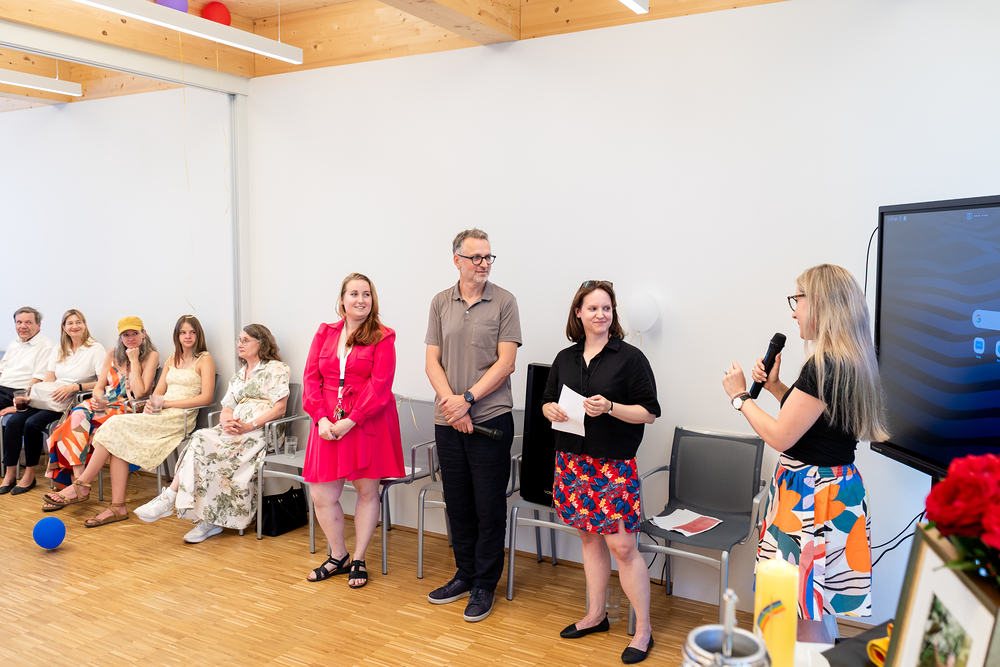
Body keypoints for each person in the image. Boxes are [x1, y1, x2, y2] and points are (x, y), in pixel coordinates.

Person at [722, 263, 889, 622]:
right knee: (815, 604)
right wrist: (775, 387)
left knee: (796, 608)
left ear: (821, 303)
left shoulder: (823, 366)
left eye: (797, 300)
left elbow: (781, 436)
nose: (794, 312)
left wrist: (740, 397)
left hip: (811, 494)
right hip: (836, 489)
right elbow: (816, 423)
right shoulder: (849, 360)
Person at [541, 281, 660, 665]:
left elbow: (649, 413)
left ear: (613, 313)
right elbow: (547, 401)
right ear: (578, 313)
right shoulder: (565, 358)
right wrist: (548, 410)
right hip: (572, 463)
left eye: (606, 308)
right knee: (589, 540)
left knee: (623, 547)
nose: (600, 314)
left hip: (613, 466)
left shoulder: (631, 358)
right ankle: (596, 615)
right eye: (592, 308)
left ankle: (643, 631)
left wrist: (610, 406)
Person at [424, 228, 521, 623]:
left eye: (488, 257)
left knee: (488, 505)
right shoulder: (440, 302)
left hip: (490, 419)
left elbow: (506, 363)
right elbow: (432, 362)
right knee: (459, 503)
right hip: (448, 420)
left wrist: (466, 400)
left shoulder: (505, 301)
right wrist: (453, 405)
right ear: (457, 261)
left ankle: (485, 583)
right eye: (476, 257)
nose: (484, 264)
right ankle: (464, 574)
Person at [42, 315, 216, 526]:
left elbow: (206, 398)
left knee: (114, 426)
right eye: (183, 332)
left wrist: (167, 404)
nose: (187, 336)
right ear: (177, 336)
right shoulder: (172, 359)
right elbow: (158, 393)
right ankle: (117, 506)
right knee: (116, 438)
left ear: (198, 335)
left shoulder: (204, 359)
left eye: (192, 332)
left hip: (180, 417)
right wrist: (152, 404)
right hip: (159, 413)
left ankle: (82, 485)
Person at [134, 323, 290, 544]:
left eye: (245, 340)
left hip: (263, 431)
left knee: (208, 448)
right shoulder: (239, 375)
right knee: (200, 439)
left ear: (262, 343)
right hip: (234, 429)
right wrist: (226, 422)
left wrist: (249, 425)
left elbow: (280, 408)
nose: (240, 344)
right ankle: (197, 513)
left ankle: (176, 502)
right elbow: (226, 407)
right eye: (239, 340)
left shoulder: (276, 369)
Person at [301, 273, 404, 588]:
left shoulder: (383, 336)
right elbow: (311, 378)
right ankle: (339, 556)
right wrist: (320, 418)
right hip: (327, 422)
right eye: (354, 294)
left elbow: (381, 385)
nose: (361, 300)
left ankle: (359, 558)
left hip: (366, 421)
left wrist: (352, 420)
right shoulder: (325, 333)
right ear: (343, 299)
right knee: (321, 494)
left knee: (366, 492)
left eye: (366, 294)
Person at [45, 316, 159, 501]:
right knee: (76, 415)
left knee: (74, 429)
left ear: (143, 334)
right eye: (126, 335)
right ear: (120, 337)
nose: (130, 338)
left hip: (125, 408)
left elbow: (140, 393)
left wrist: (134, 360)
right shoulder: (112, 353)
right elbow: (99, 386)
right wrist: (99, 400)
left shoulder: (151, 356)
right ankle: (79, 480)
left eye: (135, 333)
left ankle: (78, 487)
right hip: (104, 404)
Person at [1, 309, 102, 495]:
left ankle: (29, 475)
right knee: (14, 422)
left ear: (85, 325)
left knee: (31, 424)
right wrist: (35, 395)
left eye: (78, 322)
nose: (74, 326)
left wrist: (75, 387)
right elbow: (49, 378)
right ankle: (9, 474)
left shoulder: (95, 349)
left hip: (70, 400)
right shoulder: (59, 348)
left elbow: (103, 381)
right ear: (64, 327)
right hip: (51, 397)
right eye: (70, 323)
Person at [0, 307, 54, 417]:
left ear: (38, 325)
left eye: (28, 322)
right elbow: (1, 370)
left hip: (17, 393)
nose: (23, 326)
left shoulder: (46, 347)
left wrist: (21, 403)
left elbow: (38, 380)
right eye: (19, 322)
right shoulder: (14, 343)